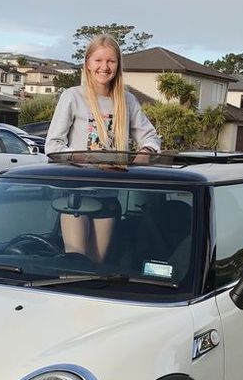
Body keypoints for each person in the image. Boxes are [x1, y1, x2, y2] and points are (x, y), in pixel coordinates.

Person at [45, 34, 161, 262]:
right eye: (98, 60)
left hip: (109, 194)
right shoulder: (72, 97)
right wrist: (88, 158)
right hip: (75, 195)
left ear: (118, 65)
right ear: (87, 63)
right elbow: (52, 146)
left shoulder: (127, 100)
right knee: (76, 263)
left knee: (98, 263)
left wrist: (144, 154)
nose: (104, 67)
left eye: (111, 61)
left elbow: (151, 137)